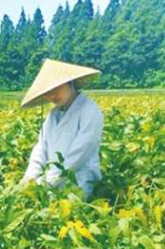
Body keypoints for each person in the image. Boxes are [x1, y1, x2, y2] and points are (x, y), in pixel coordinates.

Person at [19, 59, 103, 199]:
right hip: (52, 183)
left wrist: (42, 183)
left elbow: (78, 155)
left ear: (69, 82)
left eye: (55, 89)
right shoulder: (53, 114)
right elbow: (41, 147)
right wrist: (30, 175)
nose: (52, 96)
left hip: (79, 185)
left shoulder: (89, 110)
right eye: (47, 92)